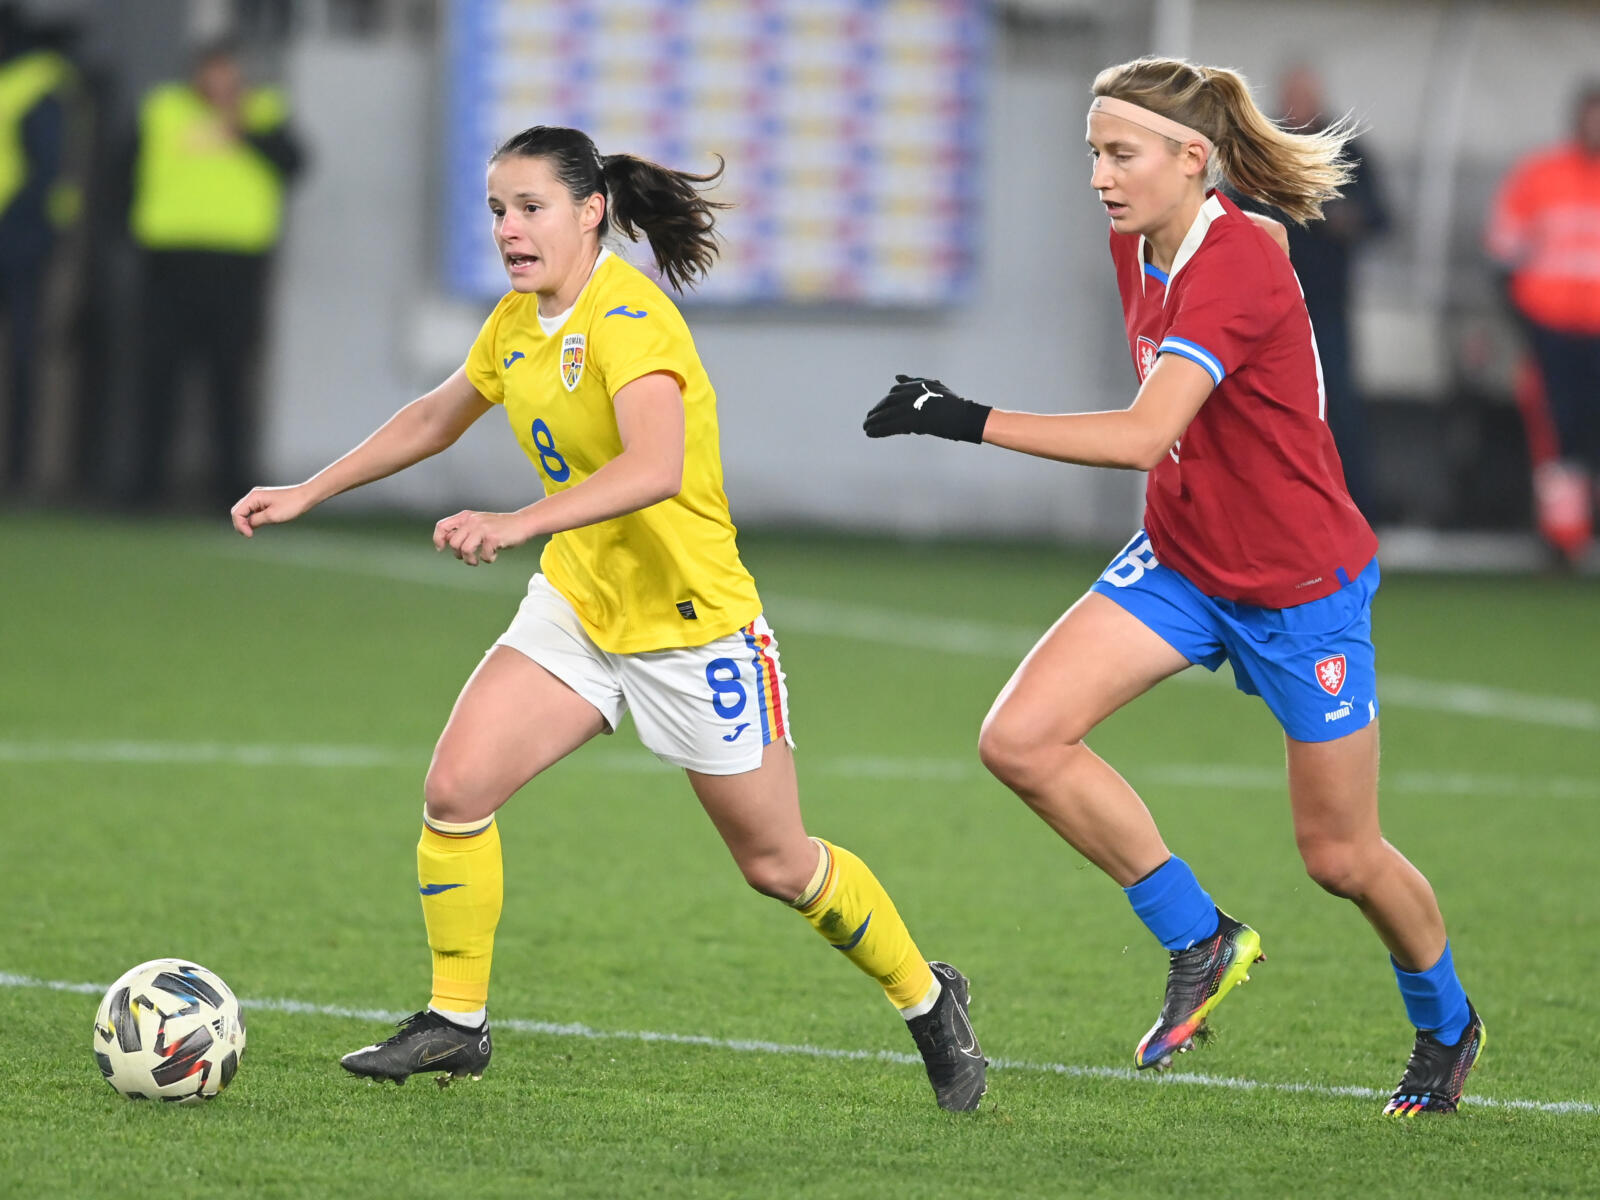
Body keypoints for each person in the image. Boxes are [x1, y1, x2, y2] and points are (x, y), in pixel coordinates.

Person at [230, 126, 986, 1111]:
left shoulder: (631, 317)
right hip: (582, 604)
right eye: (497, 210)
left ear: (591, 212)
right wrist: (309, 489)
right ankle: (456, 1020)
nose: (509, 228)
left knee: (777, 863)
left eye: (530, 207)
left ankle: (927, 998)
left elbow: (654, 467)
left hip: (693, 626)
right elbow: (434, 416)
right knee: (456, 790)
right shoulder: (517, 320)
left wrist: (517, 521)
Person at [863, 56, 1483, 1116]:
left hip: (1297, 587)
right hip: (1185, 558)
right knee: (1021, 739)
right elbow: (1254, 251)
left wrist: (961, 417)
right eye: (1093, 153)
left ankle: (1447, 1022)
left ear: (1192, 157)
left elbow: (1145, 434)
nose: (1099, 176)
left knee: (1340, 856)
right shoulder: (1145, 235)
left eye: (1120, 154)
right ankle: (1201, 938)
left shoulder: (1232, 263)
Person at [124, 39, 305, 508]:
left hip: (236, 267)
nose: (221, 82)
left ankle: (232, 488)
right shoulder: (163, 110)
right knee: (157, 375)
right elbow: (121, 172)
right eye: (213, 72)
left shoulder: (264, 113)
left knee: (229, 377)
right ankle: (144, 488)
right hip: (169, 262)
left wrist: (243, 128)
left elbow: (295, 163)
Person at [1249, 64, 1389, 520]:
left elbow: (1382, 216)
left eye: (1306, 95)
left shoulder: (1346, 149)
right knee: (1269, 409)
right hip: (1267, 306)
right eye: (1293, 95)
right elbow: (1230, 209)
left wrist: (1349, 219)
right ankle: (1274, 512)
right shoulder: (1261, 147)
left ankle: (1352, 513)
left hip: (1327, 306)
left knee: (1337, 409)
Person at [1486, 81, 1600, 564]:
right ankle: (1563, 538)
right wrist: (1525, 322)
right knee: (1557, 432)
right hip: (1550, 330)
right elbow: (1503, 252)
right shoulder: (1540, 175)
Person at [0, 5, 75, 493]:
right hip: (18, 231)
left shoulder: (34, 81)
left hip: (20, 235)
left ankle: (19, 472)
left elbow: (47, 168)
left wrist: (25, 228)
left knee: (24, 353)